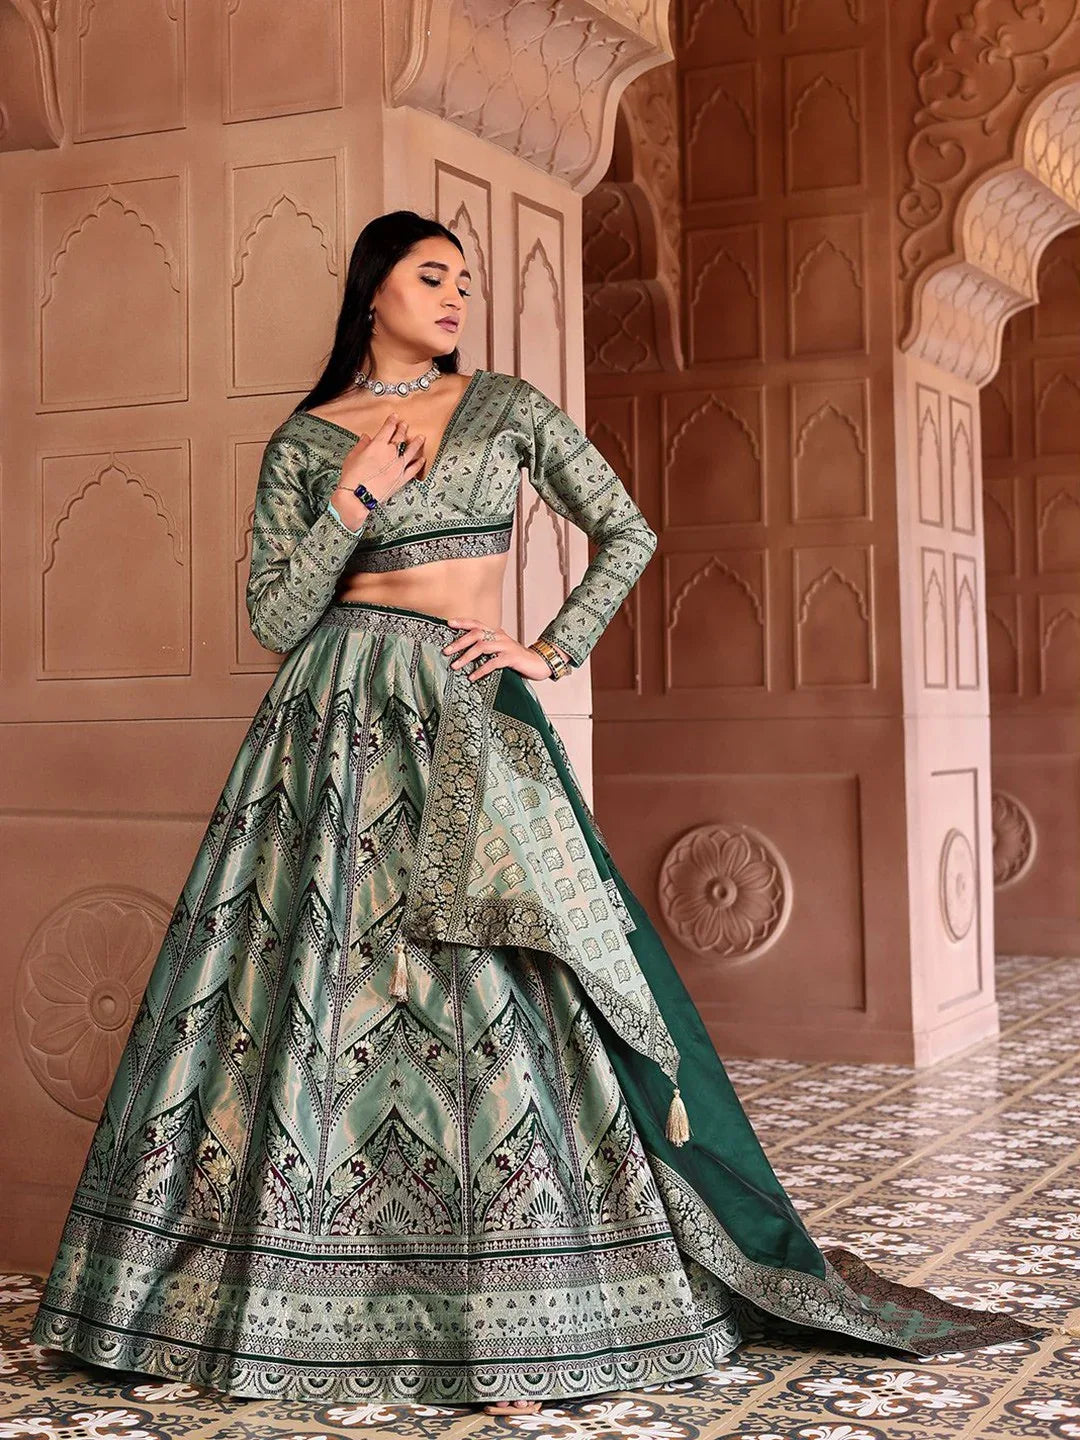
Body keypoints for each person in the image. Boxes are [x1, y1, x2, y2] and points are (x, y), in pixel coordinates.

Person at [31, 210, 1050, 1416]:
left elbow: (628, 529)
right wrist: (351, 499)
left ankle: (519, 1311)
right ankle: (271, 1302)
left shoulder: (505, 409)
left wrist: (548, 647)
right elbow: (273, 614)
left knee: (496, 984)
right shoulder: (311, 441)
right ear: (373, 292)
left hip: (464, 713)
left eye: (465, 280)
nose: (456, 296)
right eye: (432, 275)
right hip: (328, 728)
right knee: (304, 991)